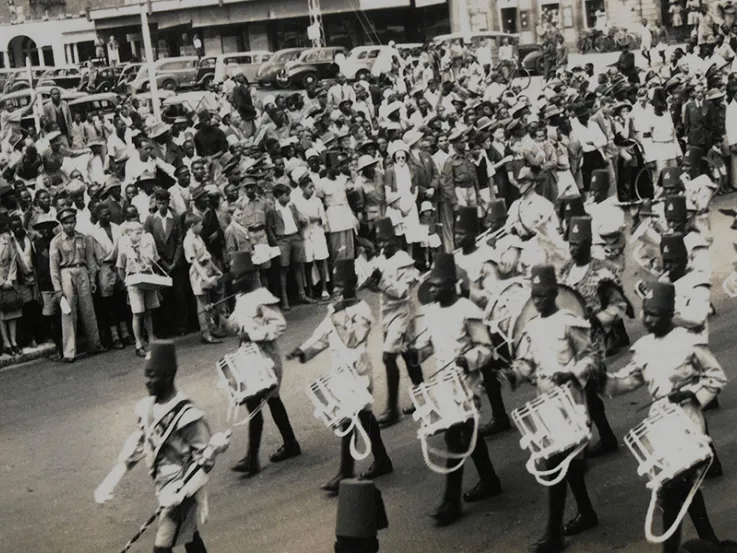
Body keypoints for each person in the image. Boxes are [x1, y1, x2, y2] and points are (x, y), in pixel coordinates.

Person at [600, 281, 724, 553]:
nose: (647, 319)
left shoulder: (690, 341)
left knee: (673, 487)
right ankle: (710, 541)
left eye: (654, 314)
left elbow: (716, 377)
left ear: (669, 313)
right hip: (661, 424)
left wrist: (693, 395)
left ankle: (671, 549)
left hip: (687, 420)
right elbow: (626, 382)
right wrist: (601, 379)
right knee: (680, 484)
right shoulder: (643, 347)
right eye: (645, 312)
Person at [94, 340, 230, 553]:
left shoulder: (188, 415)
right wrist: (110, 481)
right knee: (190, 536)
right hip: (165, 489)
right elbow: (139, 445)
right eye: (146, 374)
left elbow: (204, 459)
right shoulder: (148, 409)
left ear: (168, 376)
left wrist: (183, 490)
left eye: (152, 375)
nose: (147, 381)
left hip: (181, 492)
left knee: (162, 548)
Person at [505, 264, 599, 553]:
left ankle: (553, 535)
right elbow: (528, 361)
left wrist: (570, 373)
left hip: (570, 400)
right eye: (535, 296)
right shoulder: (532, 327)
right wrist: (513, 374)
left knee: (555, 461)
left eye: (544, 295)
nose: (539, 301)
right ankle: (587, 513)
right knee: (565, 462)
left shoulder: (569, 321)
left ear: (555, 293)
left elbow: (590, 358)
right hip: (546, 403)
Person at [287, 259, 393, 494]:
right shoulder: (336, 311)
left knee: (348, 419)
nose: (335, 290)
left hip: (359, 372)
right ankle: (382, 459)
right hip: (341, 372)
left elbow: (353, 339)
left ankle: (345, 471)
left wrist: (338, 313)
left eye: (340, 285)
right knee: (364, 418)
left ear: (353, 285)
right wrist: (304, 350)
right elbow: (322, 337)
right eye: (334, 284)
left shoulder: (362, 311)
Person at [413, 253, 503, 527]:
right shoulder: (432, 312)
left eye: (438, 284)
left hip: (466, 382)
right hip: (444, 383)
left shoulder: (468, 310)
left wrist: (469, 359)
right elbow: (430, 346)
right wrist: (416, 354)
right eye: (432, 284)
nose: (433, 289)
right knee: (467, 433)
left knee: (456, 436)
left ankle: (451, 501)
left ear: (452, 284)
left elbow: (486, 349)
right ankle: (489, 479)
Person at [224, 252, 302, 477]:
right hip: (249, 358)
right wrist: (220, 321)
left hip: (267, 359)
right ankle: (290, 443)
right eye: (234, 278)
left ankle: (252, 458)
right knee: (270, 401)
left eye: (239, 278)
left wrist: (254, 334)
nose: (236, 282)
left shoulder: (262, 297)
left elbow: (279, 325)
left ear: (250, 276)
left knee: (256, 403)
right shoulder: (240, 299)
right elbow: (234, 327)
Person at [559, 215, 631, 456]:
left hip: (593, 341)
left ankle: (584, 443)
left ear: (588, 243)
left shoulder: (603, 271)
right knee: (581, 391)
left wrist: (597, 320)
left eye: (576, 244)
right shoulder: (565, 270)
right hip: (570, 340)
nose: (571, 248)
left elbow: (618, 306)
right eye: (570, 244)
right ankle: (606, 435)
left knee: (586, 387)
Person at [364, 217, 424, 427]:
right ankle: (423, 398)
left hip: (403, 313)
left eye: (386, 241)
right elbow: (377, 287)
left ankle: (392, 409)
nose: (382, 245)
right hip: (387, 314)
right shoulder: (381, 258)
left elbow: (401, 293)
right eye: (379, 241)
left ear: (395, 239)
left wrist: (381, 281)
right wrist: (371, 282)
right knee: (408, 354)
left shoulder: (403, 260)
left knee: (389, 357)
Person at [49, 207, 106, 363]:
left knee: (88, 309)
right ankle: (69, 351)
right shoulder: (56, 242)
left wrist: (93, 279)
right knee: (69, 312)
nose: (69, 225)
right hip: (65, 273)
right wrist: (57, 288)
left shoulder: (83, 238)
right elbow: (53, 267)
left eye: (72, 222)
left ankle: (95, 344)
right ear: (61, 224)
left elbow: (90, 261)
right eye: (66, 223)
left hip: (81, 272)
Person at [117, 220, 161, 357]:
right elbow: (120, 267)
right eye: (137, 233)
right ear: (129, 234)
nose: (140, 235)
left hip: (147, 278)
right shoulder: (125, 248)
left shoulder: (146, 244)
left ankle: (151, 338)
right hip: (133, 280)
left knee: (149, 311)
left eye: (141, 232)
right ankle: (138, 343)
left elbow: (152, 261)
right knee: (137, 312)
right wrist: (126, 281)